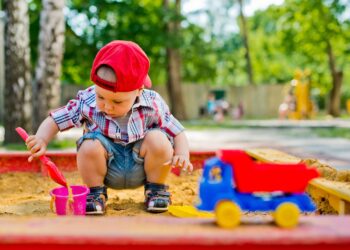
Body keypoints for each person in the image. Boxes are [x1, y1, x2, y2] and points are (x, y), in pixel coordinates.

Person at [24, 40, 193, 215]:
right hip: (105, 167)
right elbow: (57, 119)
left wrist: (182, 154)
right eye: (101, 97)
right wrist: (41, 138)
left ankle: (156, 190)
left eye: (117, 101)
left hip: (142, 166)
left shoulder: (153, 103)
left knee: (158, 138)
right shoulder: (88, 100)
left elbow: (177, 131)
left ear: (139, 90)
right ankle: (95, 194)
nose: (107, 106)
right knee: (88, 144)